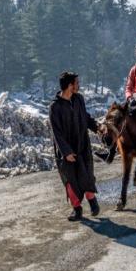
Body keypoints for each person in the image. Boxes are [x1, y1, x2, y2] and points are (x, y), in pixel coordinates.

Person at [49, 71, 100, 222]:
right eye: (77, 83)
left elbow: (85, 117)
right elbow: (56, 132)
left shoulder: (79, 99)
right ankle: (77, 209)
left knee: (87, 175)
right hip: (66, 151)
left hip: (82, 145)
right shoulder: (55, 107)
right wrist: (66, 152)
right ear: (70, 86)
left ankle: (93, 202)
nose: (79, 85)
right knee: (70, 180)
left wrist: (97, 127)